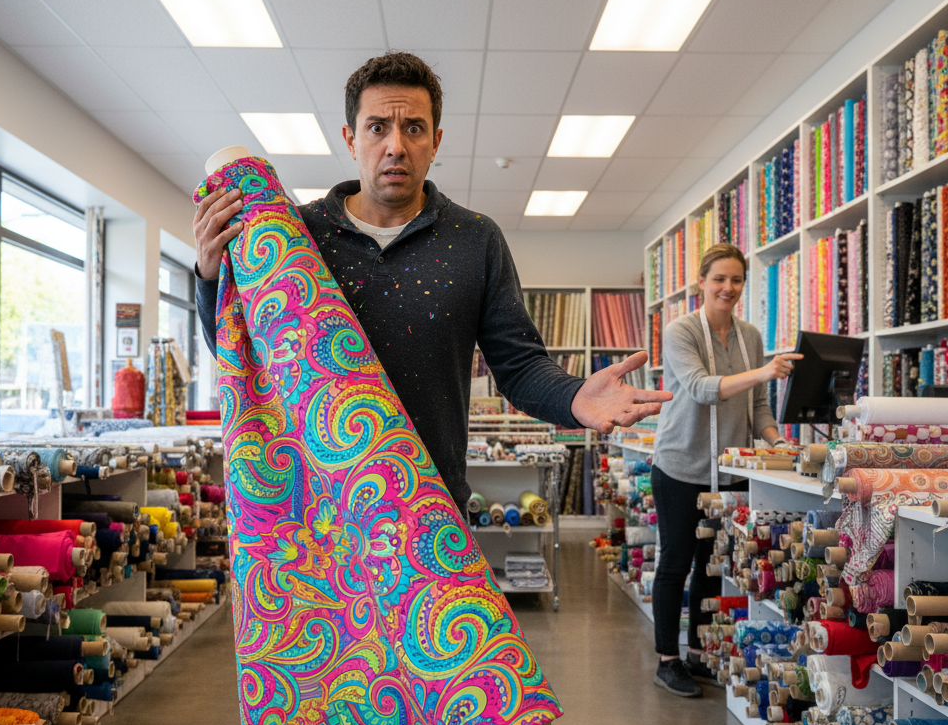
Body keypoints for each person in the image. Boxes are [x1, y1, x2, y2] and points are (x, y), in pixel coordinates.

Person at [192, 51, 671, 515]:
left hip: (432, 516)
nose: (395, 145)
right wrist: (211, 278)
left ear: (435, 141)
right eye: (377, 127)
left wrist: (573, 396)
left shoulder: (475, 239)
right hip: (319, 519)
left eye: (413, 128)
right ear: (350, 138)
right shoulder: (298, 239)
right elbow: (246, 358)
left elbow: (519, 365)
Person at [651, 242, 802, 698]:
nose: (729, 288)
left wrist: (778, 442)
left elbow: (758, 407)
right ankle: (667, 660)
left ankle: (698, 652)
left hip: (730, 471)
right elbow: (700, 388)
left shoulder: (749, 336)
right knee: (675, 562)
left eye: (736, 280)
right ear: (702, 282)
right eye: (719, 278)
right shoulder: (680, 331)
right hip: (681, 467)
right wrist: (764, 372)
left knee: (712, 567)